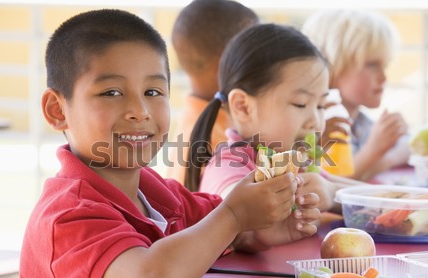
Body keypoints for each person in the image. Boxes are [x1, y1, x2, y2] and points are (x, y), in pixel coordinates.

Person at [19, 9, 321, 278]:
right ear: (57, 110)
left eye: (153, 92)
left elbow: (219, 226)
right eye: (111, 92)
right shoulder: (67, 215)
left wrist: (259, 229)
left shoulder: (156, 193)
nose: (139, 111)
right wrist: (234, 216)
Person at [185, 23, 362, 213]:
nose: (315, 121)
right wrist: (333, 194)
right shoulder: (229, 166)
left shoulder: (295, 164)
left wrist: (332, 192)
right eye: (300, 104)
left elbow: (371, 196)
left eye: (320, 106)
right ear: (243, 107)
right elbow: (239, 214)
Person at [302, 9, 410, 181]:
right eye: (372, 65)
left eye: (385, 65)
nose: (384, 77)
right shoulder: (320, 126)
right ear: (332, 65)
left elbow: (407, 148)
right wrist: (374, 150)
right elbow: (327, 185)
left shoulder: (362, 123)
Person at [165, 0, 259, 184]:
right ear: (227, 59)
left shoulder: (196, 119)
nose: (263, 61)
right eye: (254, 52)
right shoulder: (217, 137)